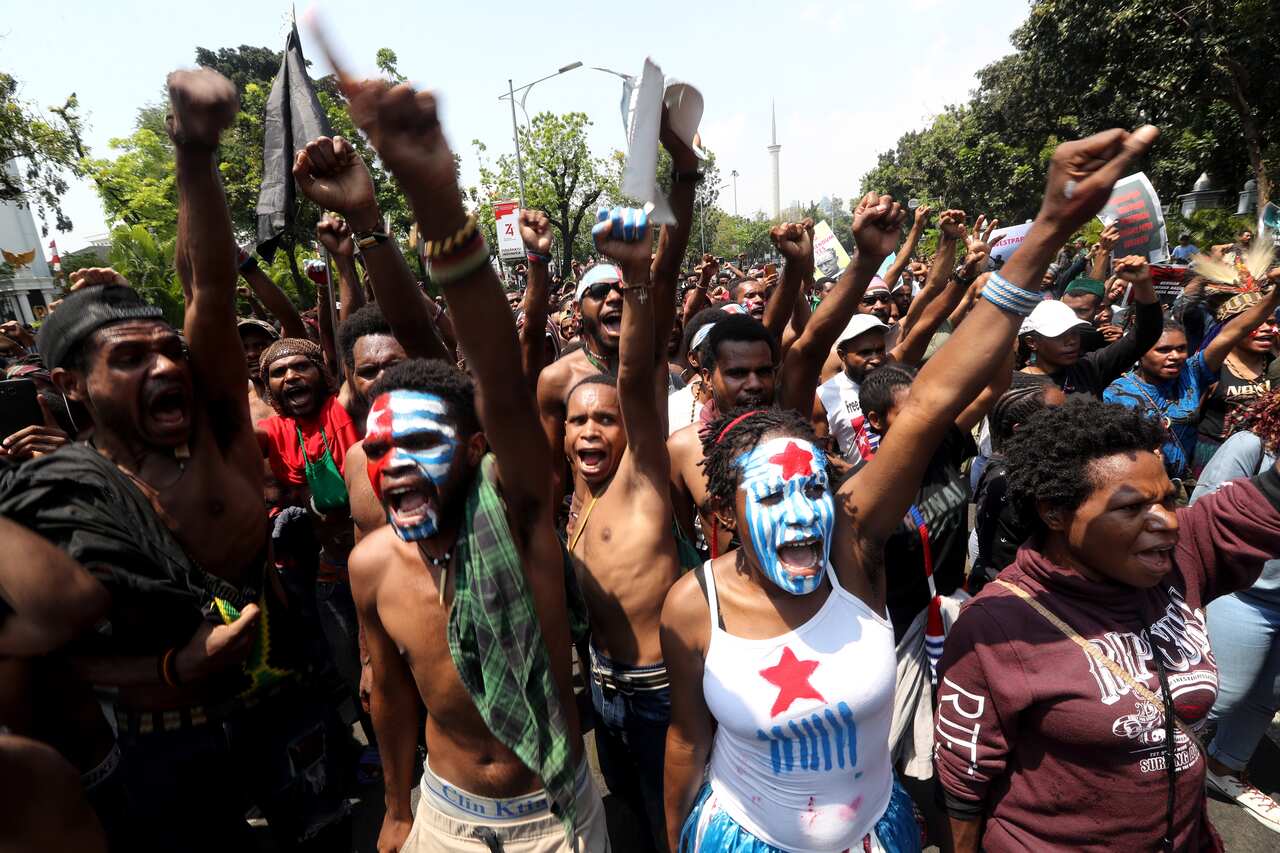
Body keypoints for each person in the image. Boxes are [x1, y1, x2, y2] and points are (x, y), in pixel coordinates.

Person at [662, 123, 1159, 853]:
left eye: (812, 490)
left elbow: (928, 403)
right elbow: (685, 743)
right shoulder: (690, 603)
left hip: (875, 832)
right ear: (728, 509)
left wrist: (1049, 227)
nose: (801, 511)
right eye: (771, 496)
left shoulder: (851, 543)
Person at [0, 68, 350, 851]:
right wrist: (169, 669)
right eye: (129, 358)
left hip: (284, 711)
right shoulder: (59, 499)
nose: (164, 367)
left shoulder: (222, 430)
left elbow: (211, 292)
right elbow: (49, 668)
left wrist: (195, 149)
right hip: (161, 754)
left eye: (168, 351)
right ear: (71, 387)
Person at [331, 57, 607, 851]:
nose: (393, 464)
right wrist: (393, 807)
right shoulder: (372, 564)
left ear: (478, 451)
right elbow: (388, 692)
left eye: (420, 441)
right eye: (379, 447)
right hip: (445, 815)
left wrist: (434, 199)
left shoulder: (520, 518)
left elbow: (491, 367)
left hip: (554, 818)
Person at [936, 396, 1280, 852]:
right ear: (1055, 512)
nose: (1165, 523)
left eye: (1167, 499)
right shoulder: (998, 624)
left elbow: (1266, 499)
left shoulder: (1184, 554)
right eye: (1131, 507)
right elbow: (964, 780)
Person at [562, 206, 682, 851]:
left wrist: (637, 278)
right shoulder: (575, 502)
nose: (589, 431)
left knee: (673, 822)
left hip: (659, 691)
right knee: (630, 811)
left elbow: (635, 380)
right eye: (576, 421)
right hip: (602, 687)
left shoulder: (642, 482)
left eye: (605, 420)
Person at [1189, 390, 1280, 833]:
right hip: (1244, 596)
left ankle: (1225, 768)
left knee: (1269, 694)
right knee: (1220, 695)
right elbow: (1201, 518)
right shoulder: (1251, 446)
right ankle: (1137, 770)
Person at [1105, 261, 1280, 482]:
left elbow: (1233, 332)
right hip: (1141, 485)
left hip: (1191, 482)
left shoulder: (1193, 372)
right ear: (1140, 353)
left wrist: (1275, 295)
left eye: (1181, 349)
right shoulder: (1117, 392)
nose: (1175, 356)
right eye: (1163, 350)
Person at [970, 375, 1065, 590]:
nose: (1069, 421)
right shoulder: (1006, 481)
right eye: (1058, 416)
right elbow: (1002, 561)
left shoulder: (1040, 463)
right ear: (1020, 428)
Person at [1018, 258, 1162, 397]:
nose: (1071, 341)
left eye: (1074, 332)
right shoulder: (1014, 385)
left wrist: (1142, 283)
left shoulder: (1089, 368)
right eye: (1059, 335)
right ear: (1032, 342)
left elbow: (1147, 332)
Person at [1194, 287, 1279, 473]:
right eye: (1256, 323)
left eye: (1271, 322)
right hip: (1213, 459)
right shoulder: (1211, 369)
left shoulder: (1275, 367)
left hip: (1265, 462)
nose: (1266, 329)